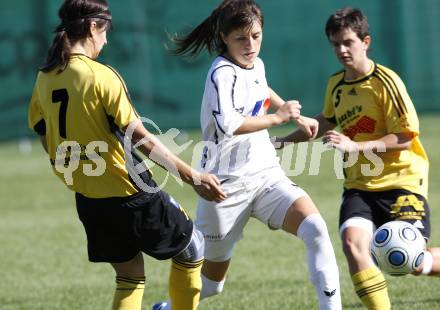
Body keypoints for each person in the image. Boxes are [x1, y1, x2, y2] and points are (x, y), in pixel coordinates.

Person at [27, 1, 227, 309]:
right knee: (192, 247)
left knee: (130, 276)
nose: (106, 39)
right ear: (93, 27)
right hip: (128, 192)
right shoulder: (100, 76)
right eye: (106, 30)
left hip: (89, 198)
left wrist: (69, 167)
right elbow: (141, 138)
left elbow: (44, 133)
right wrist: (192, 176)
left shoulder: (45, 77)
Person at [156, 1, 342, 309]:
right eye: (242, 38)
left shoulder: (255, 63)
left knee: (316, 229)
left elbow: (261, 87)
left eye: (256, 35)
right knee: (212, 286)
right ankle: (168, 307)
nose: (251, 44)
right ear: (225, 37)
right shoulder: (221, 73)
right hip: (223, 187)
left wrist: (297, 116)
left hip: (265, 174)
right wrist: (278, 118)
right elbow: (228, 124)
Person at [276, 7, 440, 309]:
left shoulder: (386, 83)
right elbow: (326, 121)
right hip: (359, 186)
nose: (341, 50)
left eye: (348, 42)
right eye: (335, 43)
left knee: (409, 261)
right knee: (353, 244)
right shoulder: (336, 84)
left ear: (366, 41)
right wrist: (282, 142)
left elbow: (405, 137)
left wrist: (355, 147)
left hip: (401, 181)